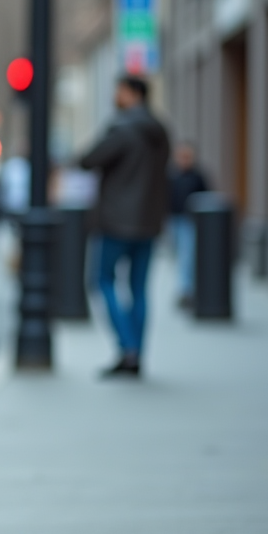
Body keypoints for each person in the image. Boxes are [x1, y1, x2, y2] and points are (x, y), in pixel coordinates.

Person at [79, 75, 171, 378]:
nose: (114, 96)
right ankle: (137, 353)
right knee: (139, 289)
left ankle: (127, 348)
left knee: (102, 280)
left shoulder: (122, 128)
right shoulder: (160, 132)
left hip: (116, 221)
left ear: (132, 93)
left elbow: (89, 159)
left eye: (118, 90)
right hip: (148, 221)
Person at [168, 141, 209, 308]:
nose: (184, 160)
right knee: (179, 256)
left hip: (189, 222)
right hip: (174, 221)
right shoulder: (171, 176)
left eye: (187, 157)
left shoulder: (197, 177)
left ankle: (187, 291)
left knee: (187, 255)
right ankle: (184, 288)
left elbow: (206, 198)